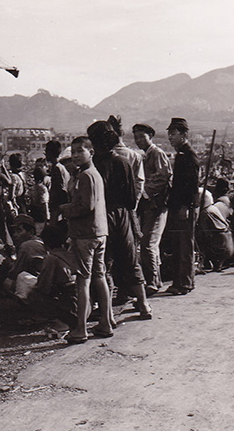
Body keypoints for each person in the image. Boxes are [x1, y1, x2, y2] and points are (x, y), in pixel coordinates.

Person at [88, 119, 152, 320]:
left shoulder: (93, 165)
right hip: (124, 216)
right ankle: (144, 305)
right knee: (131, 260)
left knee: (103, 264)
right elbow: (132, 198)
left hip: (102, 217)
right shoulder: (123, 162)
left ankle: (106, 314)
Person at [59, 136, 113, 344]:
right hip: (99, 232)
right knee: (99, 276)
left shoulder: (85, 176)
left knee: (83, 280)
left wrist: (65, 209)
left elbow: (85, 206)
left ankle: (81, 329)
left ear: (91, 152)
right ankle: (106, 322)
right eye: (73, 152)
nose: (75, 155)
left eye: (80, 151)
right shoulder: (94, 174)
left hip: (85, 234)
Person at [132, 123, 171, 295]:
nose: (138, 140)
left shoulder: (157, 154)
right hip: (149, 205)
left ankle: (152, 281)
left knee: (148, 243)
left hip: (157, 205)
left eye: (142, 136)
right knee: (150, 243)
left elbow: (163, 177)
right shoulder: (144, 155)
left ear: (150, 136)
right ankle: (156, 280)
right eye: (136, 137)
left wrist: (144, 191)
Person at [165, 117, 200, 295]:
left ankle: (185, 283)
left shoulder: (189, 156)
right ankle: (180, 282)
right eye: (169, 134)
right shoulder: (181, 155)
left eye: (173, 133)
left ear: (184, 135)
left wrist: (186, 206)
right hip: (178, 206)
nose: (170, 137)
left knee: (185, 246)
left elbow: (192, 185)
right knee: (178, 246)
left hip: (184, 208)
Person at [45, 139, 71, 224]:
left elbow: (60, 188)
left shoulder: (57, 168)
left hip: (57, 207)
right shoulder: (60, 167)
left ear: (50, 153)